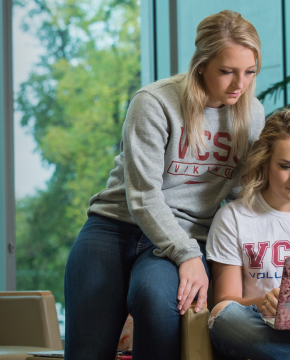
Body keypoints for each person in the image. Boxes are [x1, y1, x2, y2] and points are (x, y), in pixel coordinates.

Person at [65, 10, 265, 360]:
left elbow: (238, 194)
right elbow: (143, 195)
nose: (239, 84)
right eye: (227, 71)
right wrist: (187, 255)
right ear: (201, 64)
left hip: (186, 233)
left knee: (158, 301)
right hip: (114, 228)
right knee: (88, 351)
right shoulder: (154, 102)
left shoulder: (252, 115)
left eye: (249, 72)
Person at [206, 109, 290, 360]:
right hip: (258, 328)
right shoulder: (234, 217)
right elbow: (223, 303)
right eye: (285, 166)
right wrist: (263, 302)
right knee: (224, 318)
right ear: (265, 160)